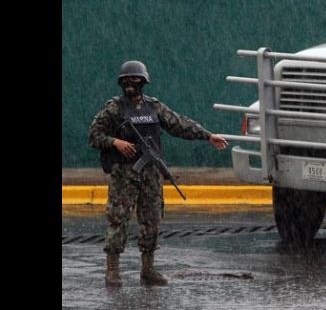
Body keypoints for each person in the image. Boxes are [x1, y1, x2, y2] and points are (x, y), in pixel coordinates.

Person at [88, 60, 228, 287]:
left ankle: (148, 269)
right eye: (126, 80)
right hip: (125, 174)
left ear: (143, 81)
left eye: (135, 80)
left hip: (151, 173)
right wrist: (115, 142)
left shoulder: (154, 107)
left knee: (152, 220)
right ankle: (112, 270)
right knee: (118, 220)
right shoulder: (114, 108)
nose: (130, 84)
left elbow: (179, 124)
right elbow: (94, 135)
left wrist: (207, 136)